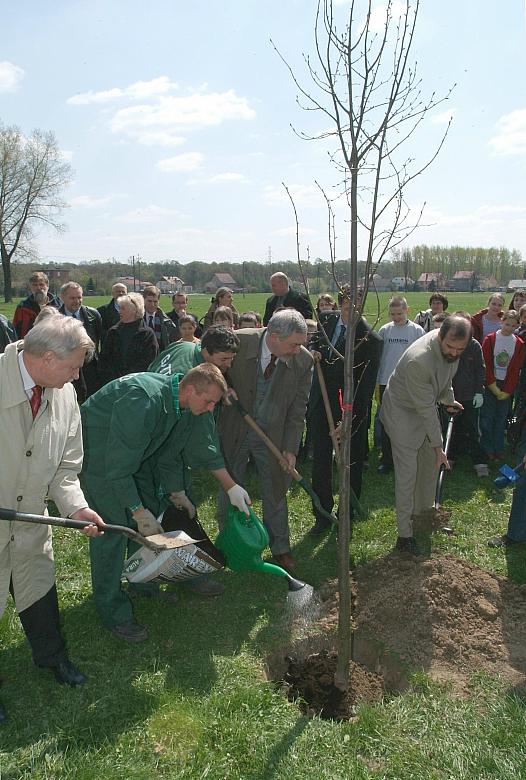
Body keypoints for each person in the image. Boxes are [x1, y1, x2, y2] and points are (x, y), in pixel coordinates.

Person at [80, 364, 251, 642]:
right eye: (209, 402)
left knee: (152, 515)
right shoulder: (143, 400)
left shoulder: (180, 406)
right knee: (113, 529)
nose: (211, 409)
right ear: (191, 389)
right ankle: (113, 611)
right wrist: (137, 511)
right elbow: (117, 468)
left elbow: (168, 455)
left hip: (133, 457)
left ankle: (142, 583)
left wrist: (176, 492)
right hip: (100, 457)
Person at [0, 315, 103, 721]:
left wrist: (76, 507)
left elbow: (65, 468)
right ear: (46, 358)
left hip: (30, 523)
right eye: (73, 367)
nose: (77, 375)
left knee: (39, 593)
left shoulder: (64, 395)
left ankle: (52, 657)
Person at [217, 310, 313, 574]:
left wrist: (291, 448)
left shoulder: (303, 361)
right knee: (230, 485)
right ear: (273, 337)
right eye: (294, 344)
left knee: (276, 487)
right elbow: (208, 362)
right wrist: (221, 386)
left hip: (273, 435)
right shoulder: (239, 342)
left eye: (301, 344)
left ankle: (280, 547)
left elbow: (298, 410)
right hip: (236, 427)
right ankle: (230, 543)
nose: (298, 350)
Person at [380, 316, 471, 555]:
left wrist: (449, 400)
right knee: (408, 475)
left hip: (423, 408)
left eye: (459, 349)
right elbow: (426, 409)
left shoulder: (452, 350)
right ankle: (404, 534)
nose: (454, 353)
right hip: (402, 414)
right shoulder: (418, 360)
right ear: (440, 336)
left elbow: (445, 377)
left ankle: (423, 516)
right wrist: (439, 447)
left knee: (429, 467)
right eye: (450, 347)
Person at [308, 286, 382, 535]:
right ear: (340, 305)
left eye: (359, 308)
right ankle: (322, 513)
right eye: (349, 307)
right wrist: (314, 349)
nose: (354, 312)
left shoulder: (371, 339)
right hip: (322, 402)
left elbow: (365, 388)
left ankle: (346, 513)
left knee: (352, 461)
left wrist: (348, 419)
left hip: (351, 406)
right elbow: (314, 340)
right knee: (321, 459)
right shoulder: (326, 319)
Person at [376, 296, 424, 475]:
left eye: (399, 314)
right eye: (392, 314)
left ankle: (405, 458)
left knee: (407, 422)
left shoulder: (416, 331)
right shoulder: (385, 330)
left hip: (407, 383)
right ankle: (387, 459)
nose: (396, 317)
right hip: (386, 382)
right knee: (387, 422)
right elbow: (379, 356)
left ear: (407, 310)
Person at [445, 312, 488, 477]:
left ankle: (479, 461)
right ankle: (450, 457)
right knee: (452, 428)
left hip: (470, 396)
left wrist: (479, 392)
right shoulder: (448, 345)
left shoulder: (474, 345)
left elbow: (480, 370)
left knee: (472, 429)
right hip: (451, 396)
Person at [480, 310, 524, 460]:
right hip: (490, 384)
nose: (509, 328)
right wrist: (492, 385)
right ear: (501, 322)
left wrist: (507, 390)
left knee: (501, 418)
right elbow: (485, 363)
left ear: (517, 326)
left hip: (506, 386)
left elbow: (516, 369)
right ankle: (486, 448)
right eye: (507, 324)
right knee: (487, 418)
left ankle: (498, 448)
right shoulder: (490, 339)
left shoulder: (519, 344)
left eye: (513, 325)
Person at [98, 292, 158, 384]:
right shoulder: (113, 332)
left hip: (138, 383)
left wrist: (129, 378)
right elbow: (104, 360)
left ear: (134, 310)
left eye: (123, 308)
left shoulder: (147, 334)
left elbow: (150, 361)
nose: (119, 311)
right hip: (114, 384)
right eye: (119, 308)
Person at [58, 282, 102, 401]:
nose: (77, 301)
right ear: (62, 297)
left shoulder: (93, 315)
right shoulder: (55, 318)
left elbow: (98, 339)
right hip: (66, 369)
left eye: (79, 297)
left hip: (90, 370)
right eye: (72, 298)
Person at [149, 325, 239, 377]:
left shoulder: (181, 345)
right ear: (206, 352)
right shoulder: (192, 376)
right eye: (223, 359)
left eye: (232, 358)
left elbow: (152, 367)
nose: (229, 364)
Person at [12, 271, 60, 339]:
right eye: (35, 285)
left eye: (41, 284)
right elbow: (15, 331)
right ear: (31, 287)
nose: (38, 288)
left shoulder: (59, 305)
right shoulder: (22, 308)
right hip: (29, 344)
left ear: (47, 286)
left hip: (54, 343)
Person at [142, 285, 178, 350]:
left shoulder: (166, 321)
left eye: (155, 302)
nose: (152, 304)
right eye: (149, 301)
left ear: (159, 301)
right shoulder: (136, 318)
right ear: (143, 300)